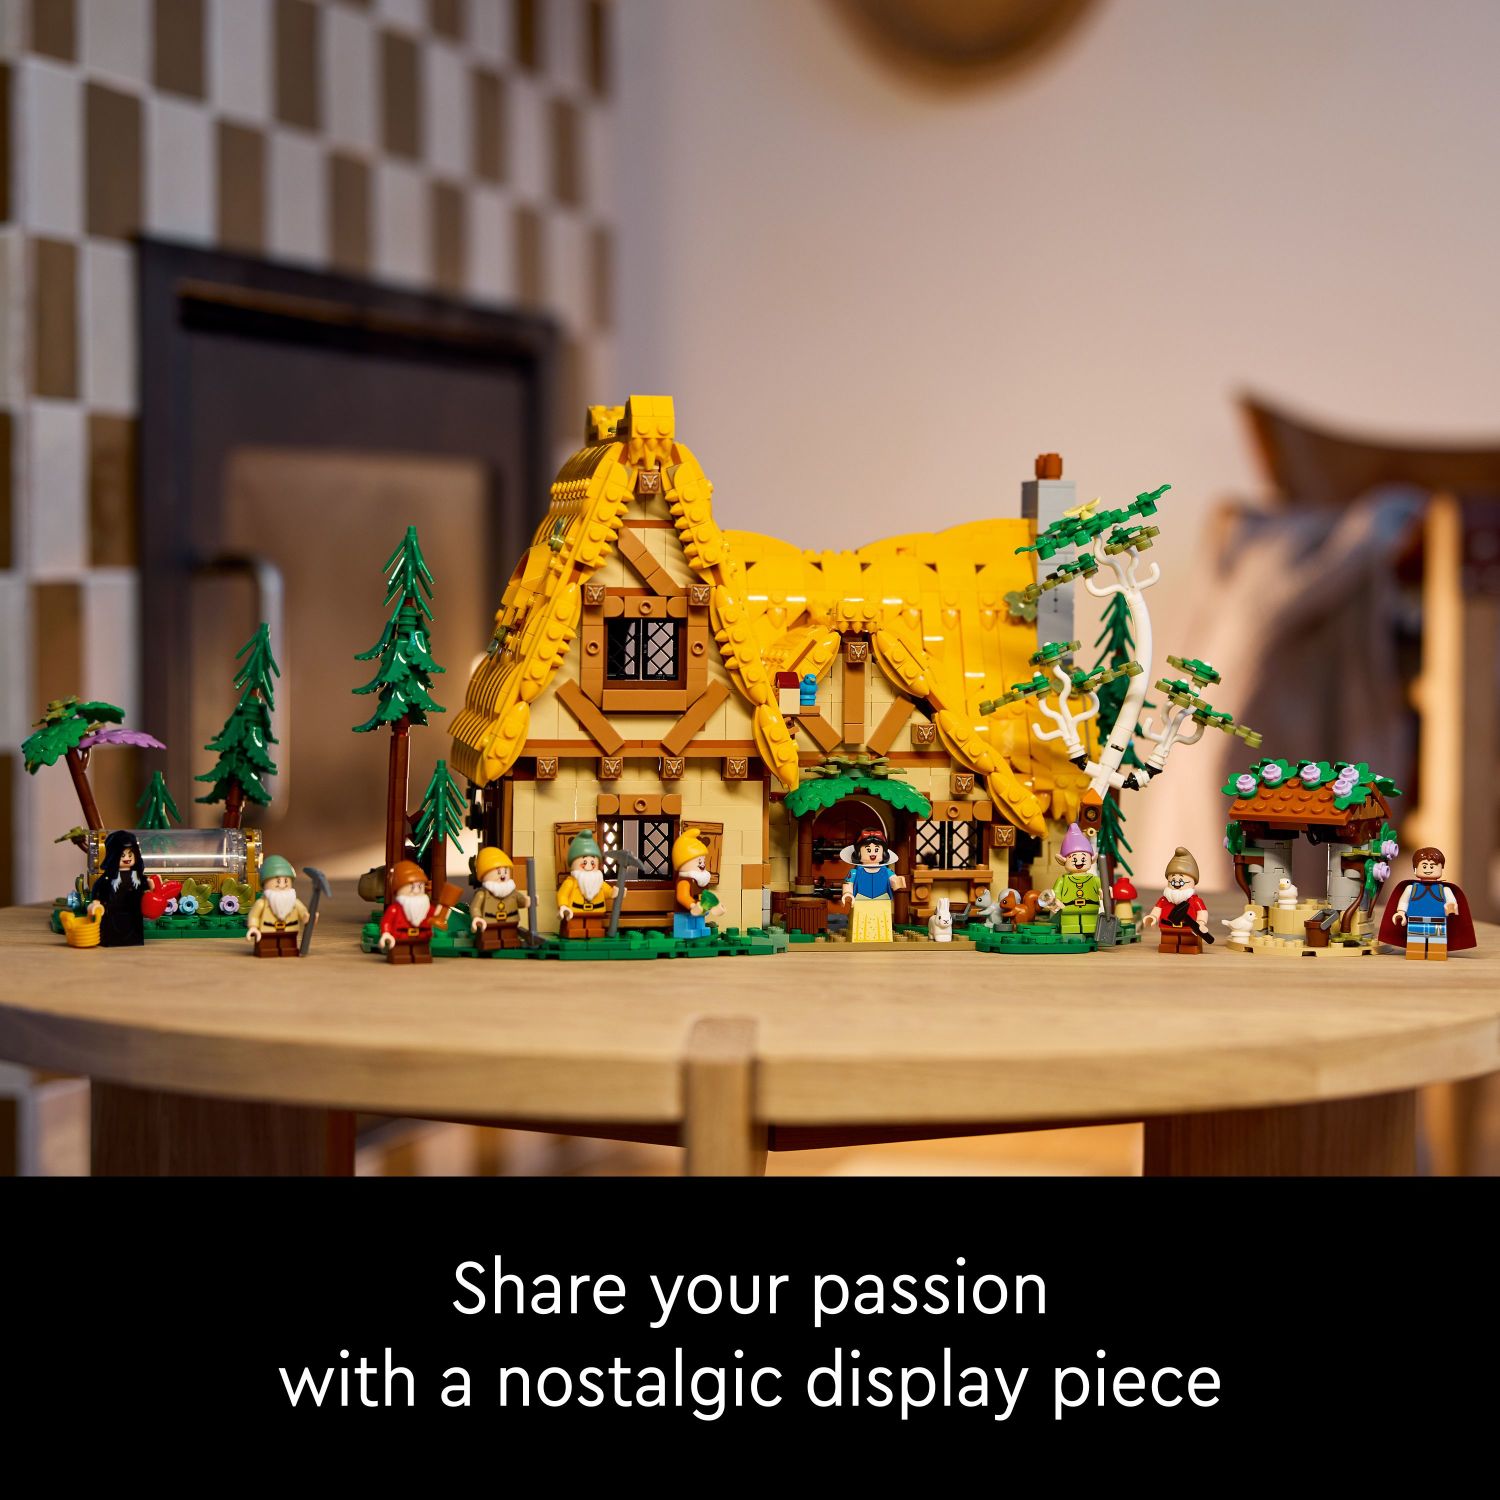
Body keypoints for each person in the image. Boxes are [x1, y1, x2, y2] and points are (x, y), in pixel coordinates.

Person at [1377, 847, 1476, 961]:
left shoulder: (1444, 889)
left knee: (1437, 947)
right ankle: (1416, 953)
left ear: (1441, 868)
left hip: (1438, 922)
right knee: (1415, 946)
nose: (1428, 869)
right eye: (1424, 866)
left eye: (1432, 866)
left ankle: (1437, 953)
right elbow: (1404, 901)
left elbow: (1452, 902)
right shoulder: (1411, 888)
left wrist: (1451, 907)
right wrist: (1401, 912)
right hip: (1416, 921)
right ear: (1415, 869)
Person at [840, 828, 906, 943]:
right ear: (859, 853)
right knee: (860, 928)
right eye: (868, 850)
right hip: (861, 902)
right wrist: (847, 893)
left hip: (882, 902)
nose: (872, 853)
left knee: (882, 928)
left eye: (876, 849)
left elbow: (894, 881)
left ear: (883, 853)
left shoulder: (886, 871)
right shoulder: (855, 872)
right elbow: (848, 884)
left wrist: (898, 881)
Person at [1143, 846, 1212, 954]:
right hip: (1167, 928)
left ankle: (1189, 948)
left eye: (1181, 880)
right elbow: (1157, 910)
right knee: (1168, 942)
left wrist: (1201, 922)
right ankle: (1168, 947)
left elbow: (1202, 913)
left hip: (1188, 928)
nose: (1176, 883)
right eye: (1172, 879)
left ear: (1193, 881)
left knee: (1188, 943)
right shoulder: (1164, 900)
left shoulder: (1195, 901)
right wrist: (1152, 917)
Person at [89, 830, 147, 947]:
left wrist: (151, 888)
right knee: (112, 931)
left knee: (133, 931)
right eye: (122, 855)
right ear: (114, 856)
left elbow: (145, 888)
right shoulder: (109, 877)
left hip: (133, 914)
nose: (127, 858)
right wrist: (96, 902)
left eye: (130, 854)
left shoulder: (137, 877)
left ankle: (133, 939)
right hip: (113, 913)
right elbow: (99, 888)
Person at [469, 847, 531, 952]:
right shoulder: (482, 894)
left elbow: (520, 901)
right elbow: (475, 907)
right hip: (489, 923)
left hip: (510, 922)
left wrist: (527, 901)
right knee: (489, 937)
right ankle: (489, 943)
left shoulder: (512, 892)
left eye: (506, 871)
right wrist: (477, 917)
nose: (503, 876)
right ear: (484, 875)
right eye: (498, 872)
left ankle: (510, 942)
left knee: (509, 935)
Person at [245, 856, 310, 957]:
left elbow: (303, 913)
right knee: (267, 946)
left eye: (286, 881)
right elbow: (254, 916)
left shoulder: (294, 902)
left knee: (288, 946)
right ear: (264, 883)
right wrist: (253, 927)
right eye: (278, 881)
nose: (282, 885)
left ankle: (289, 950)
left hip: (289, 931)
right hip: (267, 931)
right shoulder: (262, 904)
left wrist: (308, 918)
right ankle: (267, 950)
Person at [556, 831, 615, 940]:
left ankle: (594, 932)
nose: (589, 866)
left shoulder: (599, 882)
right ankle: (575, 933)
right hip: (575, 913)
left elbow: (608, 892)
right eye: (584, 862)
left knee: (594, 928)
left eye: (593, 862)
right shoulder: (571, 882)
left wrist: (614, 892)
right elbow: (563, 894)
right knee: (575, 928)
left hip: (596, 913)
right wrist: (563, 906)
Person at [378, 860, 435, 964]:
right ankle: (400, 956)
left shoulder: (426, 907)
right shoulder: (395, 909)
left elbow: (434, 917)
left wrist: (442, 914)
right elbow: (387, 922)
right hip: (400, 938)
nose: (416, 891)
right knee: (400, 954)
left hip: (421, 938)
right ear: (398, 889)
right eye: (411, 887)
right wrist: (386, 933)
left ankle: (421, 956)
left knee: (422, 954)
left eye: (420, 886)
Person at [1052, 822, 1102, 939]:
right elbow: (1055, 893)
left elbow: (1102, 889)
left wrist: (1105, 892)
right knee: (1070, 927)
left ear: (1092, 859)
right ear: (1063, 860)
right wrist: (1056, 900)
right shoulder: (1062, 880)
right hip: (1068, 910)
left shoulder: (1094, 879)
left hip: (1090, 909)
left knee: (1091, 925)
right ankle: (1071, 937)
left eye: (1083, 858)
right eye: (1073, 859)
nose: (1079, 862)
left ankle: (1090, 935)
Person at [672, 828, 716, 940]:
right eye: (699, 861)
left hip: (699, 911)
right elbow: (682, 897)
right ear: (683, 862)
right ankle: (685, 931)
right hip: (684, 913)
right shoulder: (684, 881)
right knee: (686, 922)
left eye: (703, 861)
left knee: (699, 921)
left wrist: (710, 904)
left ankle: (700, 929)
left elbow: (705, 895)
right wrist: (692, 905)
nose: (702, 865)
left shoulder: (699, 880)